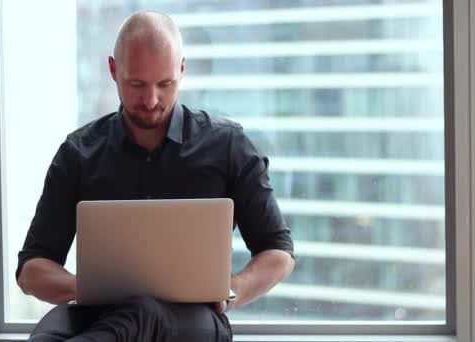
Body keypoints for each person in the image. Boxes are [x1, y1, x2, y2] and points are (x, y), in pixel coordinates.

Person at [16, 10, 295, 342]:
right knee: (48, 334)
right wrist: (86, 288)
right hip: (98, 312)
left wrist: (234, 289)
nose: (151, 100)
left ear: (182, 69)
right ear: (113, 70)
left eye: (165, 84)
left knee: (142, 314)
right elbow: (32, 269)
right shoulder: (79, 153)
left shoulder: (228, 145)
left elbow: (278, 251)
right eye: (137, 84)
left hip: (194, 318)